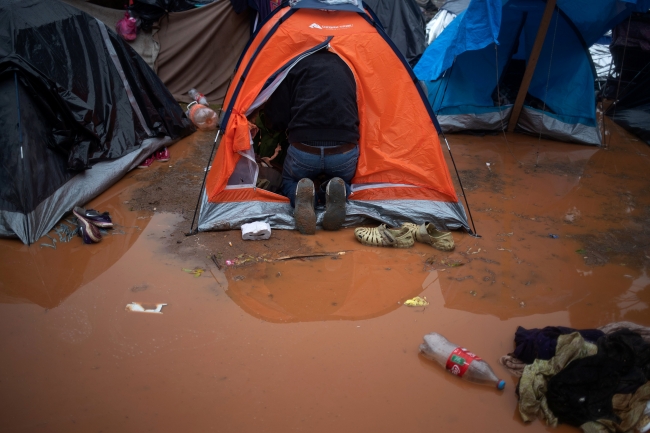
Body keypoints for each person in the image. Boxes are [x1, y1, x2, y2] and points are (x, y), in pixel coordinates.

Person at [264, 49, 360, 235]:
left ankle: (301, 194)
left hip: (304, 150)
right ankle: (332, 190)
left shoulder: (294, 65)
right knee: (345, 180)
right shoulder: (350, 64)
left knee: (289, 180)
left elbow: (277, 118)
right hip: (343, 151)